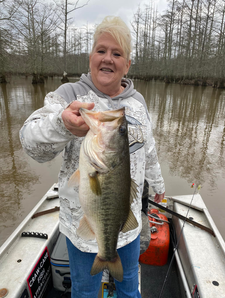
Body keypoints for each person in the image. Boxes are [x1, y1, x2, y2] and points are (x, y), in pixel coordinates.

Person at [20, 16, 165, 298]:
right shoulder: (70, 95)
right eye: (101, 50)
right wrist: (62, 124)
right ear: (90, 57)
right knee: (85, 292)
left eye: (117, 53)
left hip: (128, 222)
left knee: (130, 288)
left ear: (127, 64)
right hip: (82, 229)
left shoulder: (138, 103)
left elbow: (149, 150)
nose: (107, 59)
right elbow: (30, 142)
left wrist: (158, 186)